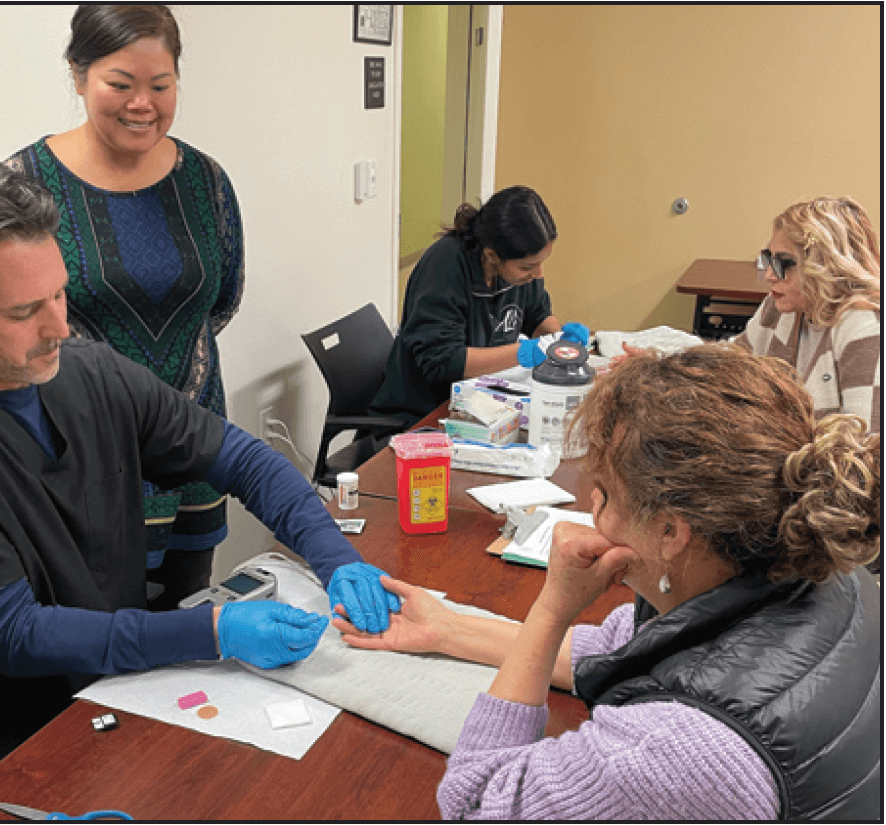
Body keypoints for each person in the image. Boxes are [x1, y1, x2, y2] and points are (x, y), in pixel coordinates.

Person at [0, 156, 398, 819]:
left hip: (115, 692)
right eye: (24, 310)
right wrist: (212, 629)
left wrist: (336, 559)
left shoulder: (87, 370)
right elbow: (15, 635)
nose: (59, 326)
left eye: (60, 294)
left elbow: (241, 458)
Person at [336, 344, 881, 819]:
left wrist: (552, 608)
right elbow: (618, 651)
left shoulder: (678, 755)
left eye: (603, 495)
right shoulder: (823, 564)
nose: (591, 510)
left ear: (671, 532)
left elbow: (477, 802)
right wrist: (449, 629)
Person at [7, 5, 244, 610]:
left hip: (192, 445)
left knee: (186, 627)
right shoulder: (21, 187)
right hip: (79, 463)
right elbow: (7, 327)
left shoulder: (206, 180)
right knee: (95, 640)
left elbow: (221, 300)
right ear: (78, 75)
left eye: (160, 86)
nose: (143, 103)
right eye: (121, 84)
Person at [369, 185, 589, 425]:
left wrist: (560, 340)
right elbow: (444, 362)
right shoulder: (444, 267)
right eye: (527, 267)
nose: (538, 274)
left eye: (541, 263)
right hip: (426, 414)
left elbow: (536, 314)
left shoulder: (520, 271)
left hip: (483, 401)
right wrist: (522, 353)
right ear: (492, 256)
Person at [733, 196, 880, 432]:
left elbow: (867, 449)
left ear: (826, 265)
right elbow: (733, 363)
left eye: (784, 262)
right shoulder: (781, 304)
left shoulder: (866, 328)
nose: (770, 275)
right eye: (768, 260)